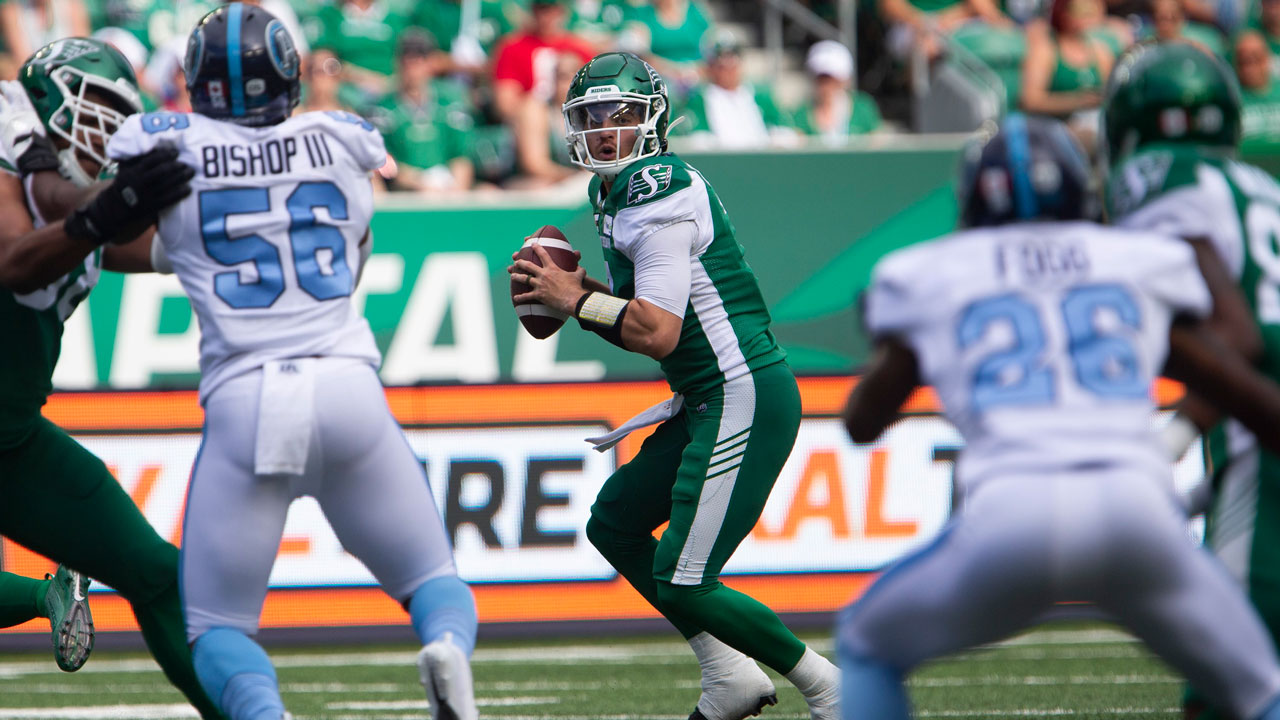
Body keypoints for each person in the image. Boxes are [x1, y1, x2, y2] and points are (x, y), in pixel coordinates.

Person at [838, 112, 1280, 720]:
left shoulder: (932, 272)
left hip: (1008, 517)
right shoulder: (1136, 260)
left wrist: (893, 350)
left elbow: (862, 424)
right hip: (1138, 512)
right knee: (1260, 691)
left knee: (865, 643)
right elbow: (1244, 389)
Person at [105, 5, 479, 719]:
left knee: (216, 628)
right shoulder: (344, 141)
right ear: (291, 76)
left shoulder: (168, 151)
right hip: (346, 386)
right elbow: (353, 248)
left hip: (247, 398)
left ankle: (265, 715)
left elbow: (136, 244)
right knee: (433, 579)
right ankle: (447, 651)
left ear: (196, 81)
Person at [508, 51, 839, 720]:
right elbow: (640, 323)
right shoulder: (615, 189)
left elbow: (656, 332)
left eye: (618, 115)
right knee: (616, 524)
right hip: (707, 395)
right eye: (591, 117)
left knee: (685, 581)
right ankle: (729, 674)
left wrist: (575, 301)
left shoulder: (655, 182)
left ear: (652, 117)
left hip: (740, 390)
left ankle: (832, 687)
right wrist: (584, 299)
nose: (603, 129)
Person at [0, 36, 220, 717]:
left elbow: (150, 241)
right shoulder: (11, 149)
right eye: (97, 105)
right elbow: (14, 258)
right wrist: (102, 212)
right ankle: (42, 595)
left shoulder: (56, 182)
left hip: (10, 439)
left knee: (156, 574)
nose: (108, 128)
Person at [1102, 41, 1280, 720]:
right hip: (1257, 444)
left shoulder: (1161, 176)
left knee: (1230, 688)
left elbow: (1239, 341)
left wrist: (1172, 439)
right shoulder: (1260, 188)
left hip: (1264, 449)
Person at [679, 32, 796, 149]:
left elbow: (786, 131)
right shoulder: (698, 99)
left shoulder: (760, 96)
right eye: (721, 64)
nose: (728, 68)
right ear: (711, 66)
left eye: (733, 60)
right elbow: (694, 138)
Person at [491, 0, 595, 123]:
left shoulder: (580, 49)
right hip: (528, 121)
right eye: (541, 9)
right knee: (533, 111)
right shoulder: (512, 48)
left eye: (552, 9)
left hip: (570, 115)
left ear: (562, 10)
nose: (546, 16)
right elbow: (506, 104)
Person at [792, 40, 882, 144]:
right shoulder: (800, 114)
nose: (825, 85)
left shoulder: (863, 108)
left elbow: (877, 145)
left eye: (831, 79)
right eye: (820, 78)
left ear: (845, 79)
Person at [1233, 30, 1280, 149]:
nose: (1249, 69)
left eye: (1255, 60)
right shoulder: (1231, 100)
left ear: (1267, 59)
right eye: (1243, 62)